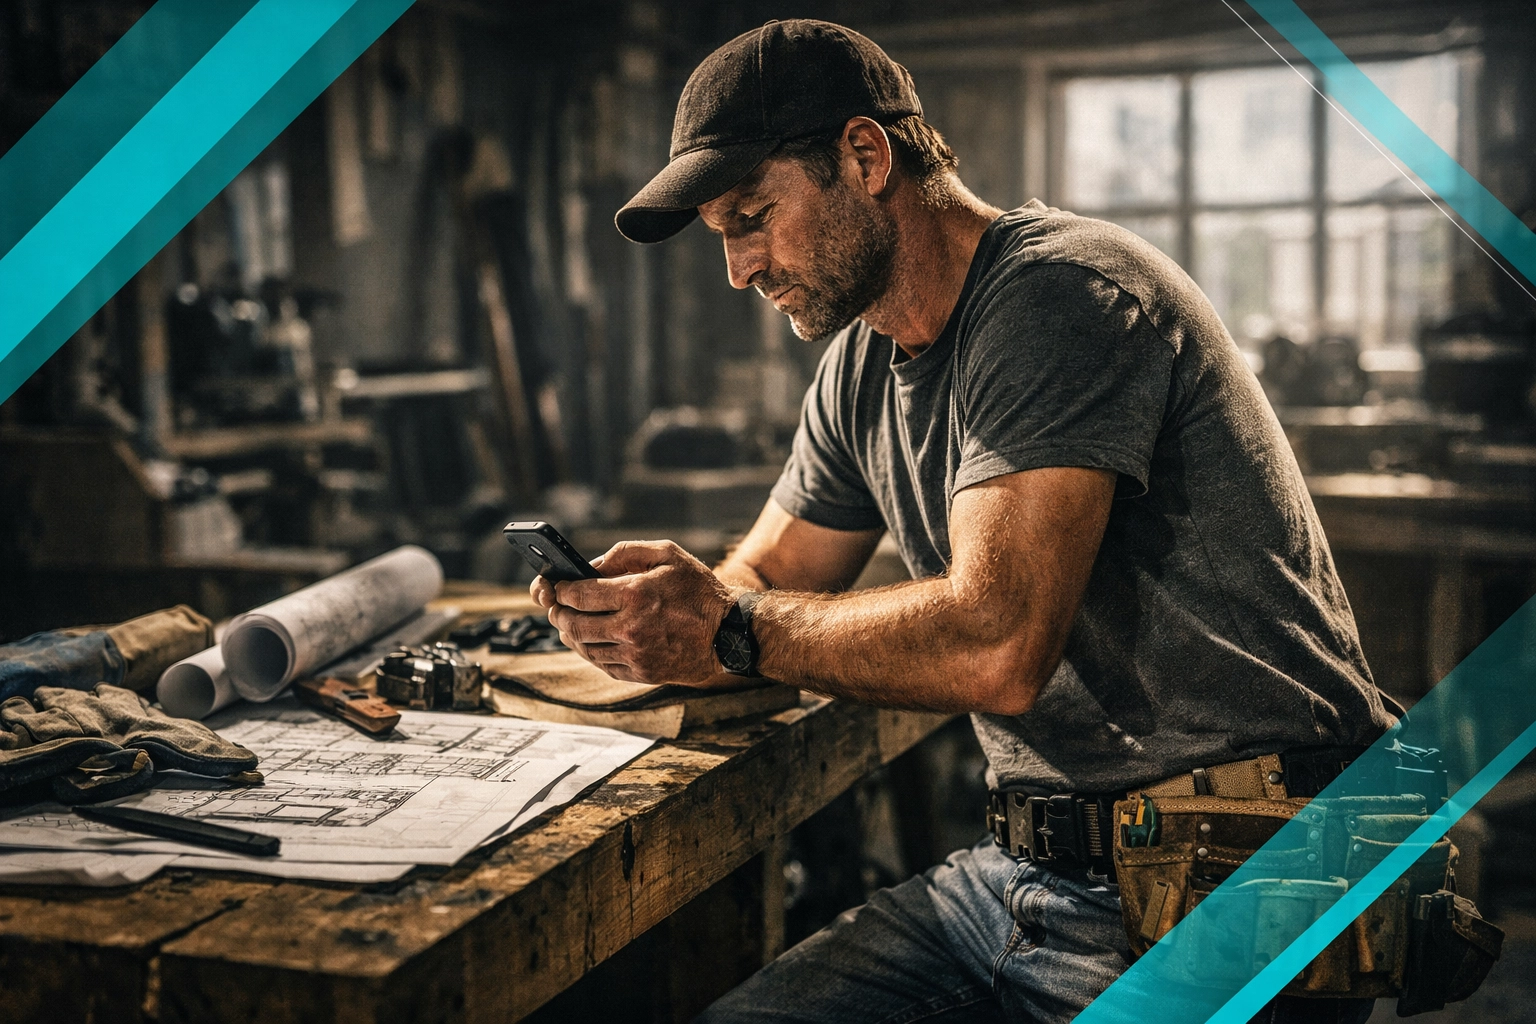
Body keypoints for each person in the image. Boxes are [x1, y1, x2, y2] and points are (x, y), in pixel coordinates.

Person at [531, 19, 1396, 1024]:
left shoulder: (1058, 293)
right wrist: (650, 615)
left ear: (864, 156)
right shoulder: (860, 363)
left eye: (752, 216)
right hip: (1028, 877)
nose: (738, 267)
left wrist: (727, 628)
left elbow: (996, 642)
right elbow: (764, 574)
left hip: (1237, 874)